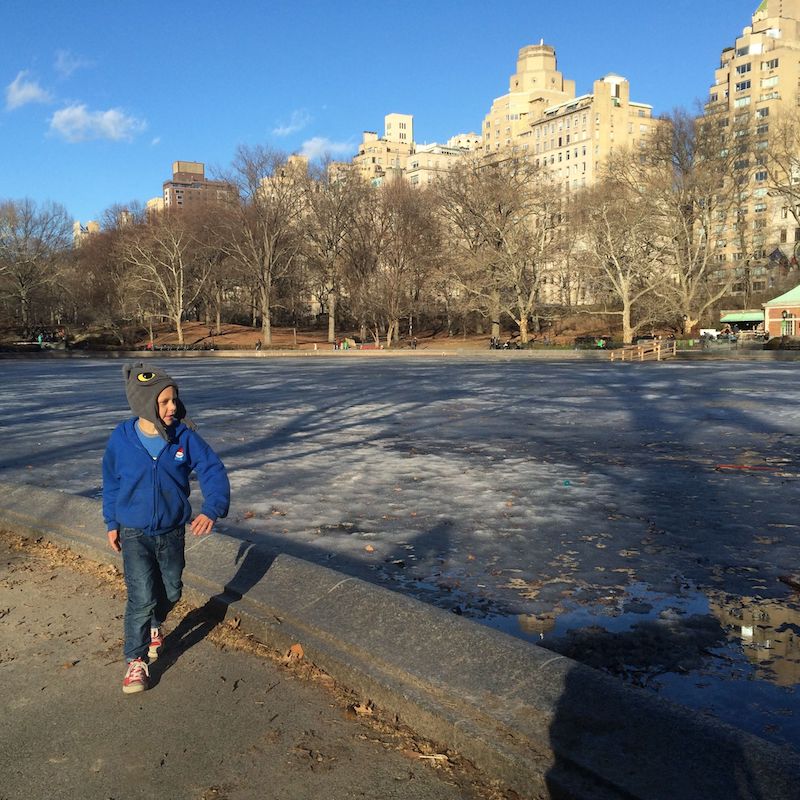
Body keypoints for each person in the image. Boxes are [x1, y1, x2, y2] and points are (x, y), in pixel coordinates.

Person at [102, 364, 230, 694]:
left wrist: (212, 509)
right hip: (134, 532)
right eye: (164, 402)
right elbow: (111, 482)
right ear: (145, 404)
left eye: (174, 400)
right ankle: (136, 660)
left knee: (171, 590)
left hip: (172, 531)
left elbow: (212, 470)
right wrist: (112, 523)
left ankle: (156, 623)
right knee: (141, 597)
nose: (173, 407)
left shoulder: (184, 437)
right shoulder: (122, 438)